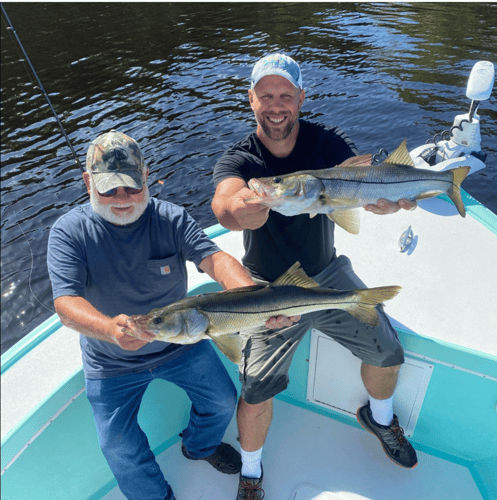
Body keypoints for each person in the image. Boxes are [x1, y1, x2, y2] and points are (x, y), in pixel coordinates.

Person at [211, 53, 419, 499]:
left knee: (386, 349)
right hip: (264, 288)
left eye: (285, 94)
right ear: (251, 100)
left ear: (301, 98)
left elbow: (360, 183)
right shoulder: (240, 158)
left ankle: (380, 420)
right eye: (266, 95)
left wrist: (383, 199)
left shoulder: (327, 143)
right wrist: (240, 210)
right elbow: (225, 207)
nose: (276, 104)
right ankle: (251, 471)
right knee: (254, 389)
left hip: (327, 274)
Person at [47, 130, 268, 500]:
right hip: (110, 359)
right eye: (109, 189)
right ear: (88, 182)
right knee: (116, 445)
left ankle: (198, 447)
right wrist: (108, 329)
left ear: (146, 177)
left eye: (132, 187)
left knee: (221, 401)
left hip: (182, 344)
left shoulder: (170, 218)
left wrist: (250, 296)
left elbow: (216, 259)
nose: (122, 199)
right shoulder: (69, 233)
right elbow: (65, 305)